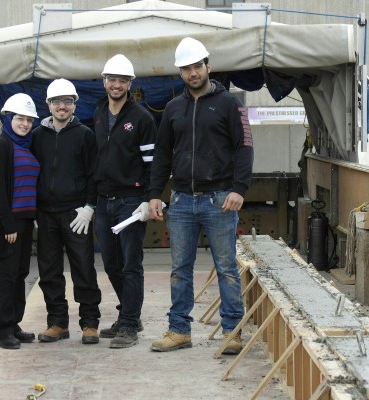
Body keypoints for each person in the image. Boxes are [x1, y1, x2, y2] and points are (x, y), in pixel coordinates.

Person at [148, 37, 254, 355]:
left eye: (197, 66)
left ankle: (232, 331)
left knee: (226, 267)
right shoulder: (173, 108)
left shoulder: (231, 103)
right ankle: (180, 330)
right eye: (186, 68)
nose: (193, 73)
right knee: (180, 268)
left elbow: (244, 147)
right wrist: (154, 194)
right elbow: (162, 154)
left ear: (208, 66)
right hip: (181, 201)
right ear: (180, 73)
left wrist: (239, 188)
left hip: (219, 199)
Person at [31, 78, 102, 345]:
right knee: (49, 271)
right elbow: (30, 174)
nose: (62, 106)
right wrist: (34, 211)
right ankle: (57, 323)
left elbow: (94, 175)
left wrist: (89, 208)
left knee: (84, 268)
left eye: (68, 101)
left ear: (74, 105)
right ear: (48, 105)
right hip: (46, 214)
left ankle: (90, 323)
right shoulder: (37, 137)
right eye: (57, 101)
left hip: (75, 214)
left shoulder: (85, 135)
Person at [93, 54, 157, 348]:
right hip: (104, 200)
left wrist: (147, 199)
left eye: (122, 80)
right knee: (110, 263)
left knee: (131, 264)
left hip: (130, 201)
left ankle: (129, 325)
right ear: (104, 81)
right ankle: (130, 314)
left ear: (130, 83)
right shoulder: (97, 112)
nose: (116, 85)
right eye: (112, 79)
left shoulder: (141, 117)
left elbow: (151, 163)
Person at [0, 93, 40, 350]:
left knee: (19, 275)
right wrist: (8, 225)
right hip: (7, 224)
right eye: (20, 118)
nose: (25, 124)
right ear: (8, 118)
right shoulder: (1, 145)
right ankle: (3, 330)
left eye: (29, 120)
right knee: (5, 278)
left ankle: (14, 323)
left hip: (25, 222)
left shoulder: (26, 145)